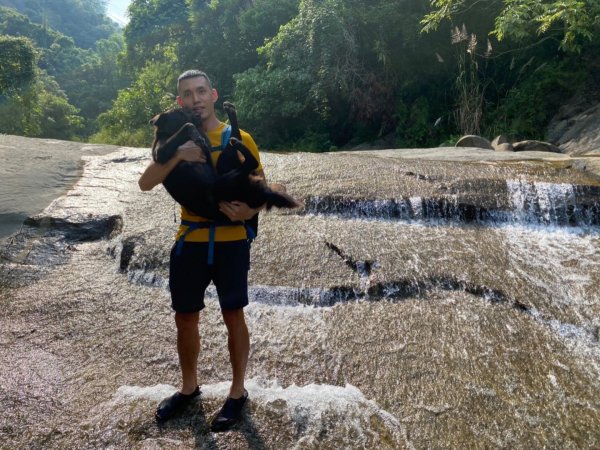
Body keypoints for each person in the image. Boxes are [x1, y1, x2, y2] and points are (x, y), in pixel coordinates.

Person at [138, 69, 265, 432]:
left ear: (213, 93)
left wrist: (249, 211)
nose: (195, 100)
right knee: (185, 318)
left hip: (230, 241)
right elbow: (146, 182)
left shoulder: (237, 138)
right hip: (190, 240)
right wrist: (179, 155)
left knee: (233, 315)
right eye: (187, 95)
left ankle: (237, 392)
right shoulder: (173, 139)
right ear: (179, 102)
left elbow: (261, 188)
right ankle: (189, 388)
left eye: (200, 92)